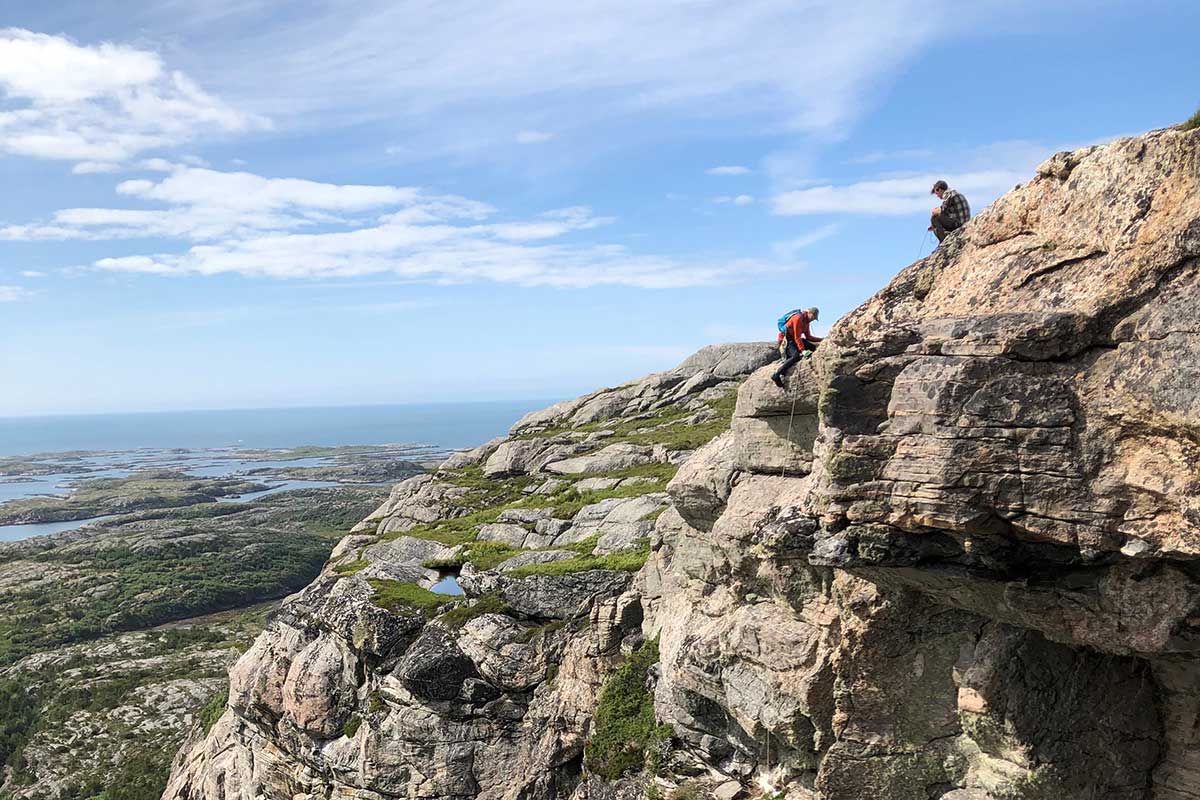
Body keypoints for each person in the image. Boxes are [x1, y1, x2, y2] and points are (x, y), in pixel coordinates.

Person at [771, 307, 821, 387]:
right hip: (786, 340)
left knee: (813, 347)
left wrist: (822, 340)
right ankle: (777, 374)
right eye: (813, 317)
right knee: (795, 356)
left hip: (794, 340)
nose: (813, 319)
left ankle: (789, 362)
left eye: (814, 319)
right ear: (809, 313)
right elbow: (797, 337)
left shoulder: (806, 322)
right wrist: (803, 350)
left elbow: (808, 337)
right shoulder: (798, 318)